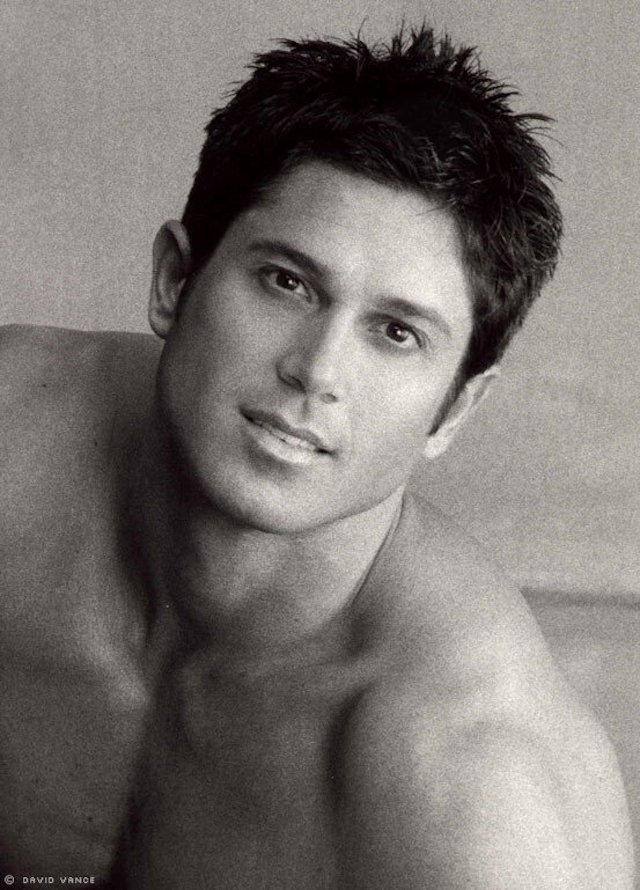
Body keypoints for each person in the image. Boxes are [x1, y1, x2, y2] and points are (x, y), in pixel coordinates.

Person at [0, 24, 634, 890]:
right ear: (175, 281)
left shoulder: (477, 801)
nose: (317, 371)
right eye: (287, 282)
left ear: (455, 408)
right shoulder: (16, 441)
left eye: (396, 333)